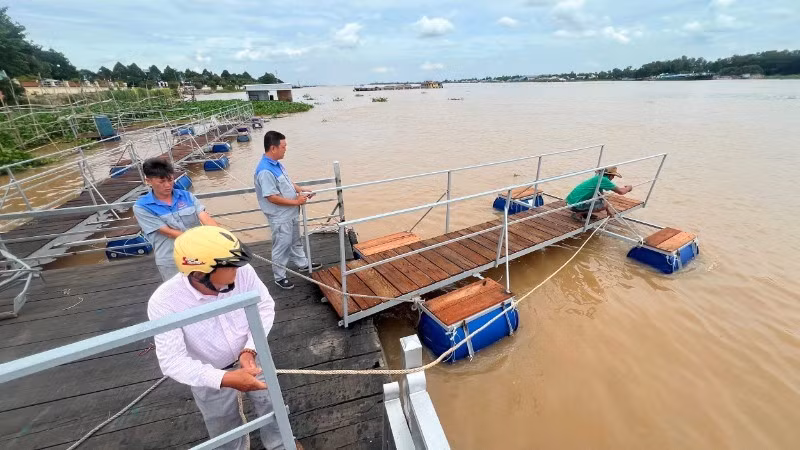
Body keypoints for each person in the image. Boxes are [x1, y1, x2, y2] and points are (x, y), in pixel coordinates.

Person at [147, 226, 301, 450]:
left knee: (272, 404)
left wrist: (249, 350)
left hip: (254, 358)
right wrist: (224, 379)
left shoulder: (243, 272)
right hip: (208, 373)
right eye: (231, 267)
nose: (239, 271)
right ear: (200, 272)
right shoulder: (164, 302)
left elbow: (265, 307)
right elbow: (172, 361)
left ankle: (280, 444)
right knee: (223, 425)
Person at [254, 131, 320, 290]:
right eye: (283, 146)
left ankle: (302, 263)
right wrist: (296, 201)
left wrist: (301, 190)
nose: (286, 149)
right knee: (282, 246)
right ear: (273, 148)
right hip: (280, 216)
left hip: (290, 212)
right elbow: (271, 197)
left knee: (296, 240)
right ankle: (279, 276)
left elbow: (288, 183)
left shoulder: (277, 164)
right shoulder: (265, 171)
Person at [133, 158, 218, 281]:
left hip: (199, 254)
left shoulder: (186, 196)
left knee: (207, 288)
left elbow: (204, 216)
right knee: (180, 294)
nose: (167, 185)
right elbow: (168, 232)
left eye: (170, 180)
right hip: (172, 260)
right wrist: (202, 240)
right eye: (161, 181)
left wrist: (219, 236)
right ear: (148, 181)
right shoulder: (142, 207)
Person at [565, 166, 633, 220]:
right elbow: (621, 192)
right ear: (610, 175)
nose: (613, 178)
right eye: (613, 176)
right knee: (603, 205)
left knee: (602, 202)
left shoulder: (598, 178)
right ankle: (579, 213)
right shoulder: (603, 180)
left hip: (570, 203)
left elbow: (601, 196)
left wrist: (608, 211)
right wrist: (629, 188)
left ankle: (585, 213)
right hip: (575, 206)